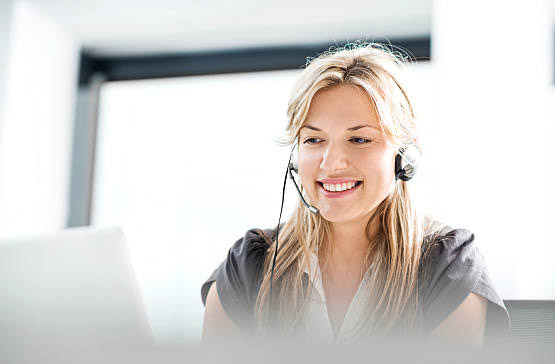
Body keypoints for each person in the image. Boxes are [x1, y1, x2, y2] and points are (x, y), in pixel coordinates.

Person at [200, 43, 510, 346]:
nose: (331, 163)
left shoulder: (445, 266)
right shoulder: (250, 267)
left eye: (359, 139)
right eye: (313, 139)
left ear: (405, 155)